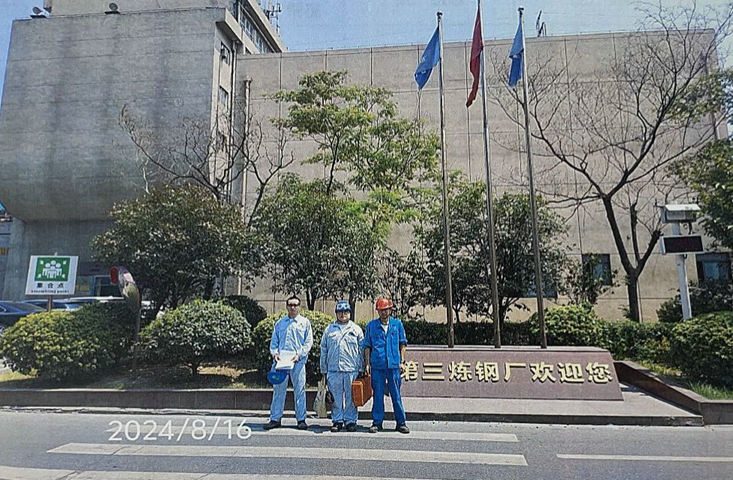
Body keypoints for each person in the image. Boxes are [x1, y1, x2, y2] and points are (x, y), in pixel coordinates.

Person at [264, 295, 313, 431]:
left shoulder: (305, 323)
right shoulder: (280, 323)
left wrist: (300, 355)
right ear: (286, 306)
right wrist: (275, 354)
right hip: (281, 363)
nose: (293, 307)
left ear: (299, 307)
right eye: (290, 305)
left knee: (300, 391)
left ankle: (301, 419)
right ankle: (275, 419)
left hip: (298, 362)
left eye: (295, 305)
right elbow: (274, 342)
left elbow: (308, 342)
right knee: (278, 391)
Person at [363, 297, 410, 434]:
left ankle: (401, 423)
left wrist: (402, 362)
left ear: (390, 309)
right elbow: (367, 346)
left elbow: (402, 344)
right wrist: (367, 364)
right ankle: (377, 423)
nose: (384, 313)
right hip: (378, 365)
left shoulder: (397, 325)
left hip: (393, 365)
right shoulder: (371, 326)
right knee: (378, 395)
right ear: (377, 311)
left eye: (386, 310)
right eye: (381, 310)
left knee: (396, 395)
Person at [320, 300, 364, 432]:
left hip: (351, 368)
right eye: (340, 312)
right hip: (334, 368)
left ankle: (350, 421)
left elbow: (361, 350)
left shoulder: (356, 329)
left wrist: (361, 368)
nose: (342, 314)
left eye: (345, 312)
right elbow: (324, 349)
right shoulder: (329, 330)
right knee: (336, 397)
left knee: (351, 397)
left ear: (349, 313)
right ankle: (337, 420)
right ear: (336, 313)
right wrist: (323, 368)